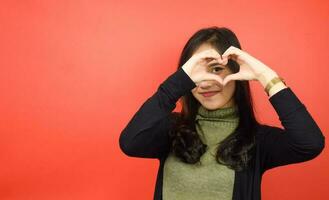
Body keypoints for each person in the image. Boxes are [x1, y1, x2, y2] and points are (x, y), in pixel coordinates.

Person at [119, 26, 325, 200]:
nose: (206, 82)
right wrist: (178, 82)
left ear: (237, 72)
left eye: (217, 69)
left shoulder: (257, 140)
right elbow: (130, 143)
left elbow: (310, 143)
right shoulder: (171, 130)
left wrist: (265, 75)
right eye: (196, 73)